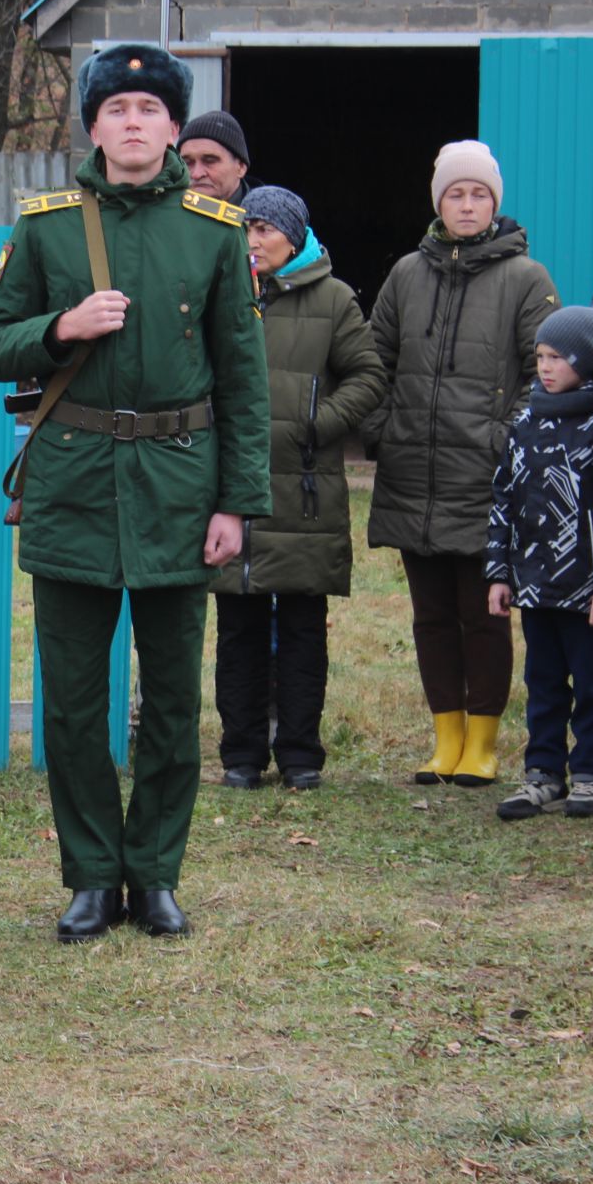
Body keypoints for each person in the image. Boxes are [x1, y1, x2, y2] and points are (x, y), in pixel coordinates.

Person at [0, 43, 270, 942]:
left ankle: (157, 873)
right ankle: (93, 876)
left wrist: (237, 503)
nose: (133, 122)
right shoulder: (46, 227)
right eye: (116, 109)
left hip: (182, 485)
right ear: (94, 126)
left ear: (175, 128)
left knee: (175, 700)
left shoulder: (216, 229)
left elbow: (244, 380)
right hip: (75, 485)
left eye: (150, 108)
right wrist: (60, 328)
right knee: (70, 701)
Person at [364, 140, 559, 790]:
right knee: (429, 617)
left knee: (483, 615)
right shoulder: (404, 275)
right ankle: (444, 738)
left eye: (478, 194)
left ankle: (483, 741)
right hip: (412, 475)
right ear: (438, 202)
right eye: (455, 194)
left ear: (495, 202)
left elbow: (547, 374)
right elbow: (373, 361)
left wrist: (508, 440)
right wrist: (381, 428)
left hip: (486, 480)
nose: (467, 204)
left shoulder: (526, 279)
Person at [212, 187, 386, 792]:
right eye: (247, 229)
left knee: (305, 629)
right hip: (233, 488)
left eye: (264, 228)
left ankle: (301, 756)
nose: (253, 240)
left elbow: (368, 376)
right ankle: (240, 755)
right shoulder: (223, 293)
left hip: (306, 489)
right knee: (238, 628)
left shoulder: (334, 300)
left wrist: (319, 421)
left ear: (294, 235)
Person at [486, 307, 593, 820]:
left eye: (557, 357)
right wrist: (498, 572)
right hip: (536, 586)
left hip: (591, 593)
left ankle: (590, 777)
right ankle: (543, 773)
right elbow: (503, 501)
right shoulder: (528, 422)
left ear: (587, 360)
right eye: (539, 357)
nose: (546, 367)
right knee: (544, 682)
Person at [178, 111, 254, 206]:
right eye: (187, 163)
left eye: (209, 161)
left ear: (241, 167)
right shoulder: (166, 212)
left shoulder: (264, 218)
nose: (196, 174)